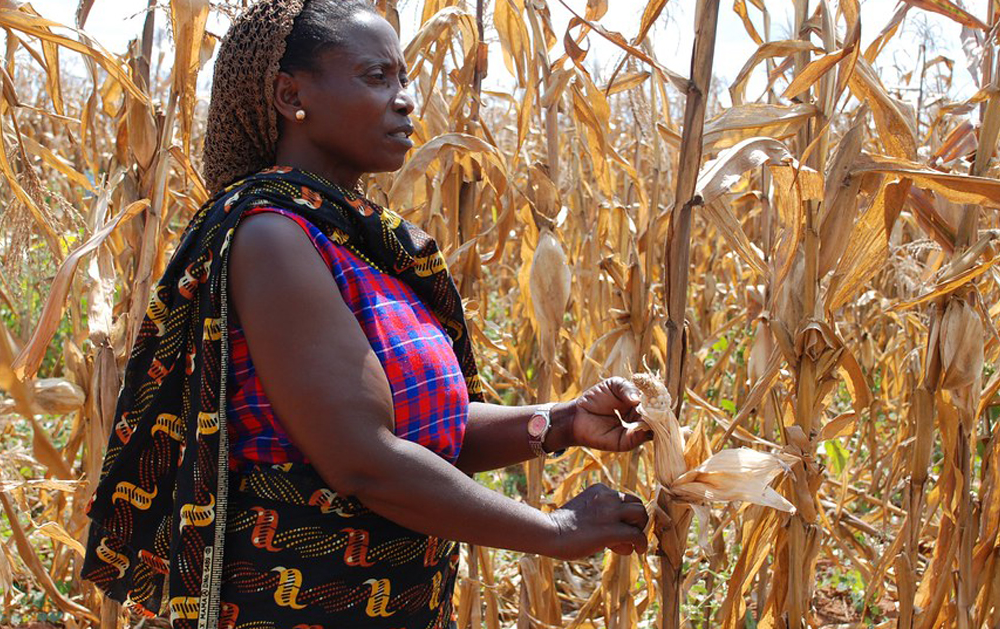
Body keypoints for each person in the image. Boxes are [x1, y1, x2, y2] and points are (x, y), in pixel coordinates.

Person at [80, 1, 651, 628]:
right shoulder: (271, 236)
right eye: (376, 77)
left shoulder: (355, 243)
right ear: (290, 94)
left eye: (402, 78)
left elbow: (423, 429)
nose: (405, 99)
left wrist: (563, 422)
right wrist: (557, 529)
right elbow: (363, 459)